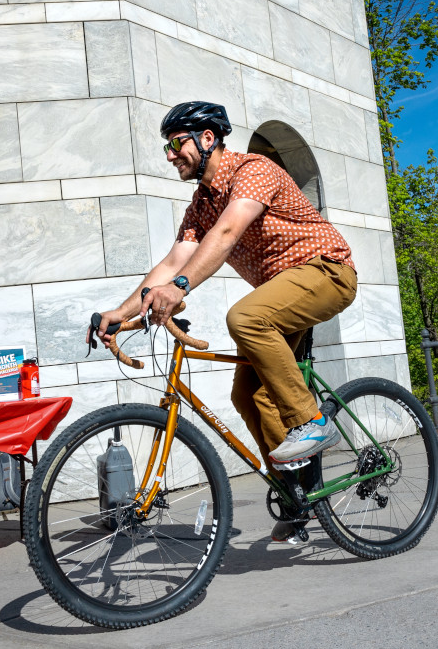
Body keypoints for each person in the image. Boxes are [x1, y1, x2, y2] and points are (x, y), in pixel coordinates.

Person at [91, 101, 358, 541]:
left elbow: (228, 233)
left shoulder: (254, 169)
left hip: (326, 271)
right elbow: (176, 258)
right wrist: (119, 313)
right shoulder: (201, 203)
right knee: (249, 394)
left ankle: (314, 422)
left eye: (176, 144)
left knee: (246, 317)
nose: (171, 155)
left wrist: (179, 288)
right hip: (282, 292)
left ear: (208, 138)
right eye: (167, 149)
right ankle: (300, 496)